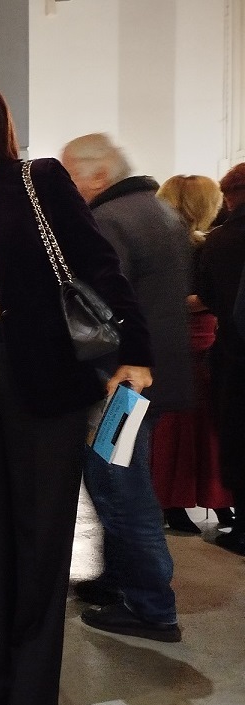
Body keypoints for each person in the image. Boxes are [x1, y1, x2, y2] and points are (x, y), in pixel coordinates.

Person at [0, 77, 152, 705]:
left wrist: (135, 351)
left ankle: (34, 691)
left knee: (42, 535)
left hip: (44, 378)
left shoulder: (37, 182)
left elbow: (99, 266)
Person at [59, 134, 192, 643]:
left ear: (98, 175)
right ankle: (116, 581)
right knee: (123, 483)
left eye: (70, 177)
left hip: (120, 384)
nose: (66, 189)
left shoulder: (108, 221)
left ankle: (152, 607)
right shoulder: (158, 211)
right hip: (150, 379)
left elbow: (97, 307)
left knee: (121, 492)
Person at [151, 175, 233, 534]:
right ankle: (185, 501)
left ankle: (183, 500)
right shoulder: (198, 245)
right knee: (193, 427)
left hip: (186, 341)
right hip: (194, 340)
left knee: (186, 427)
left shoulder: (179, 244)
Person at [195, 163, 245, 555]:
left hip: (235, 355)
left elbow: (208, 296)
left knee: (238, 437)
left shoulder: (220, 241)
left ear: (229, 197)